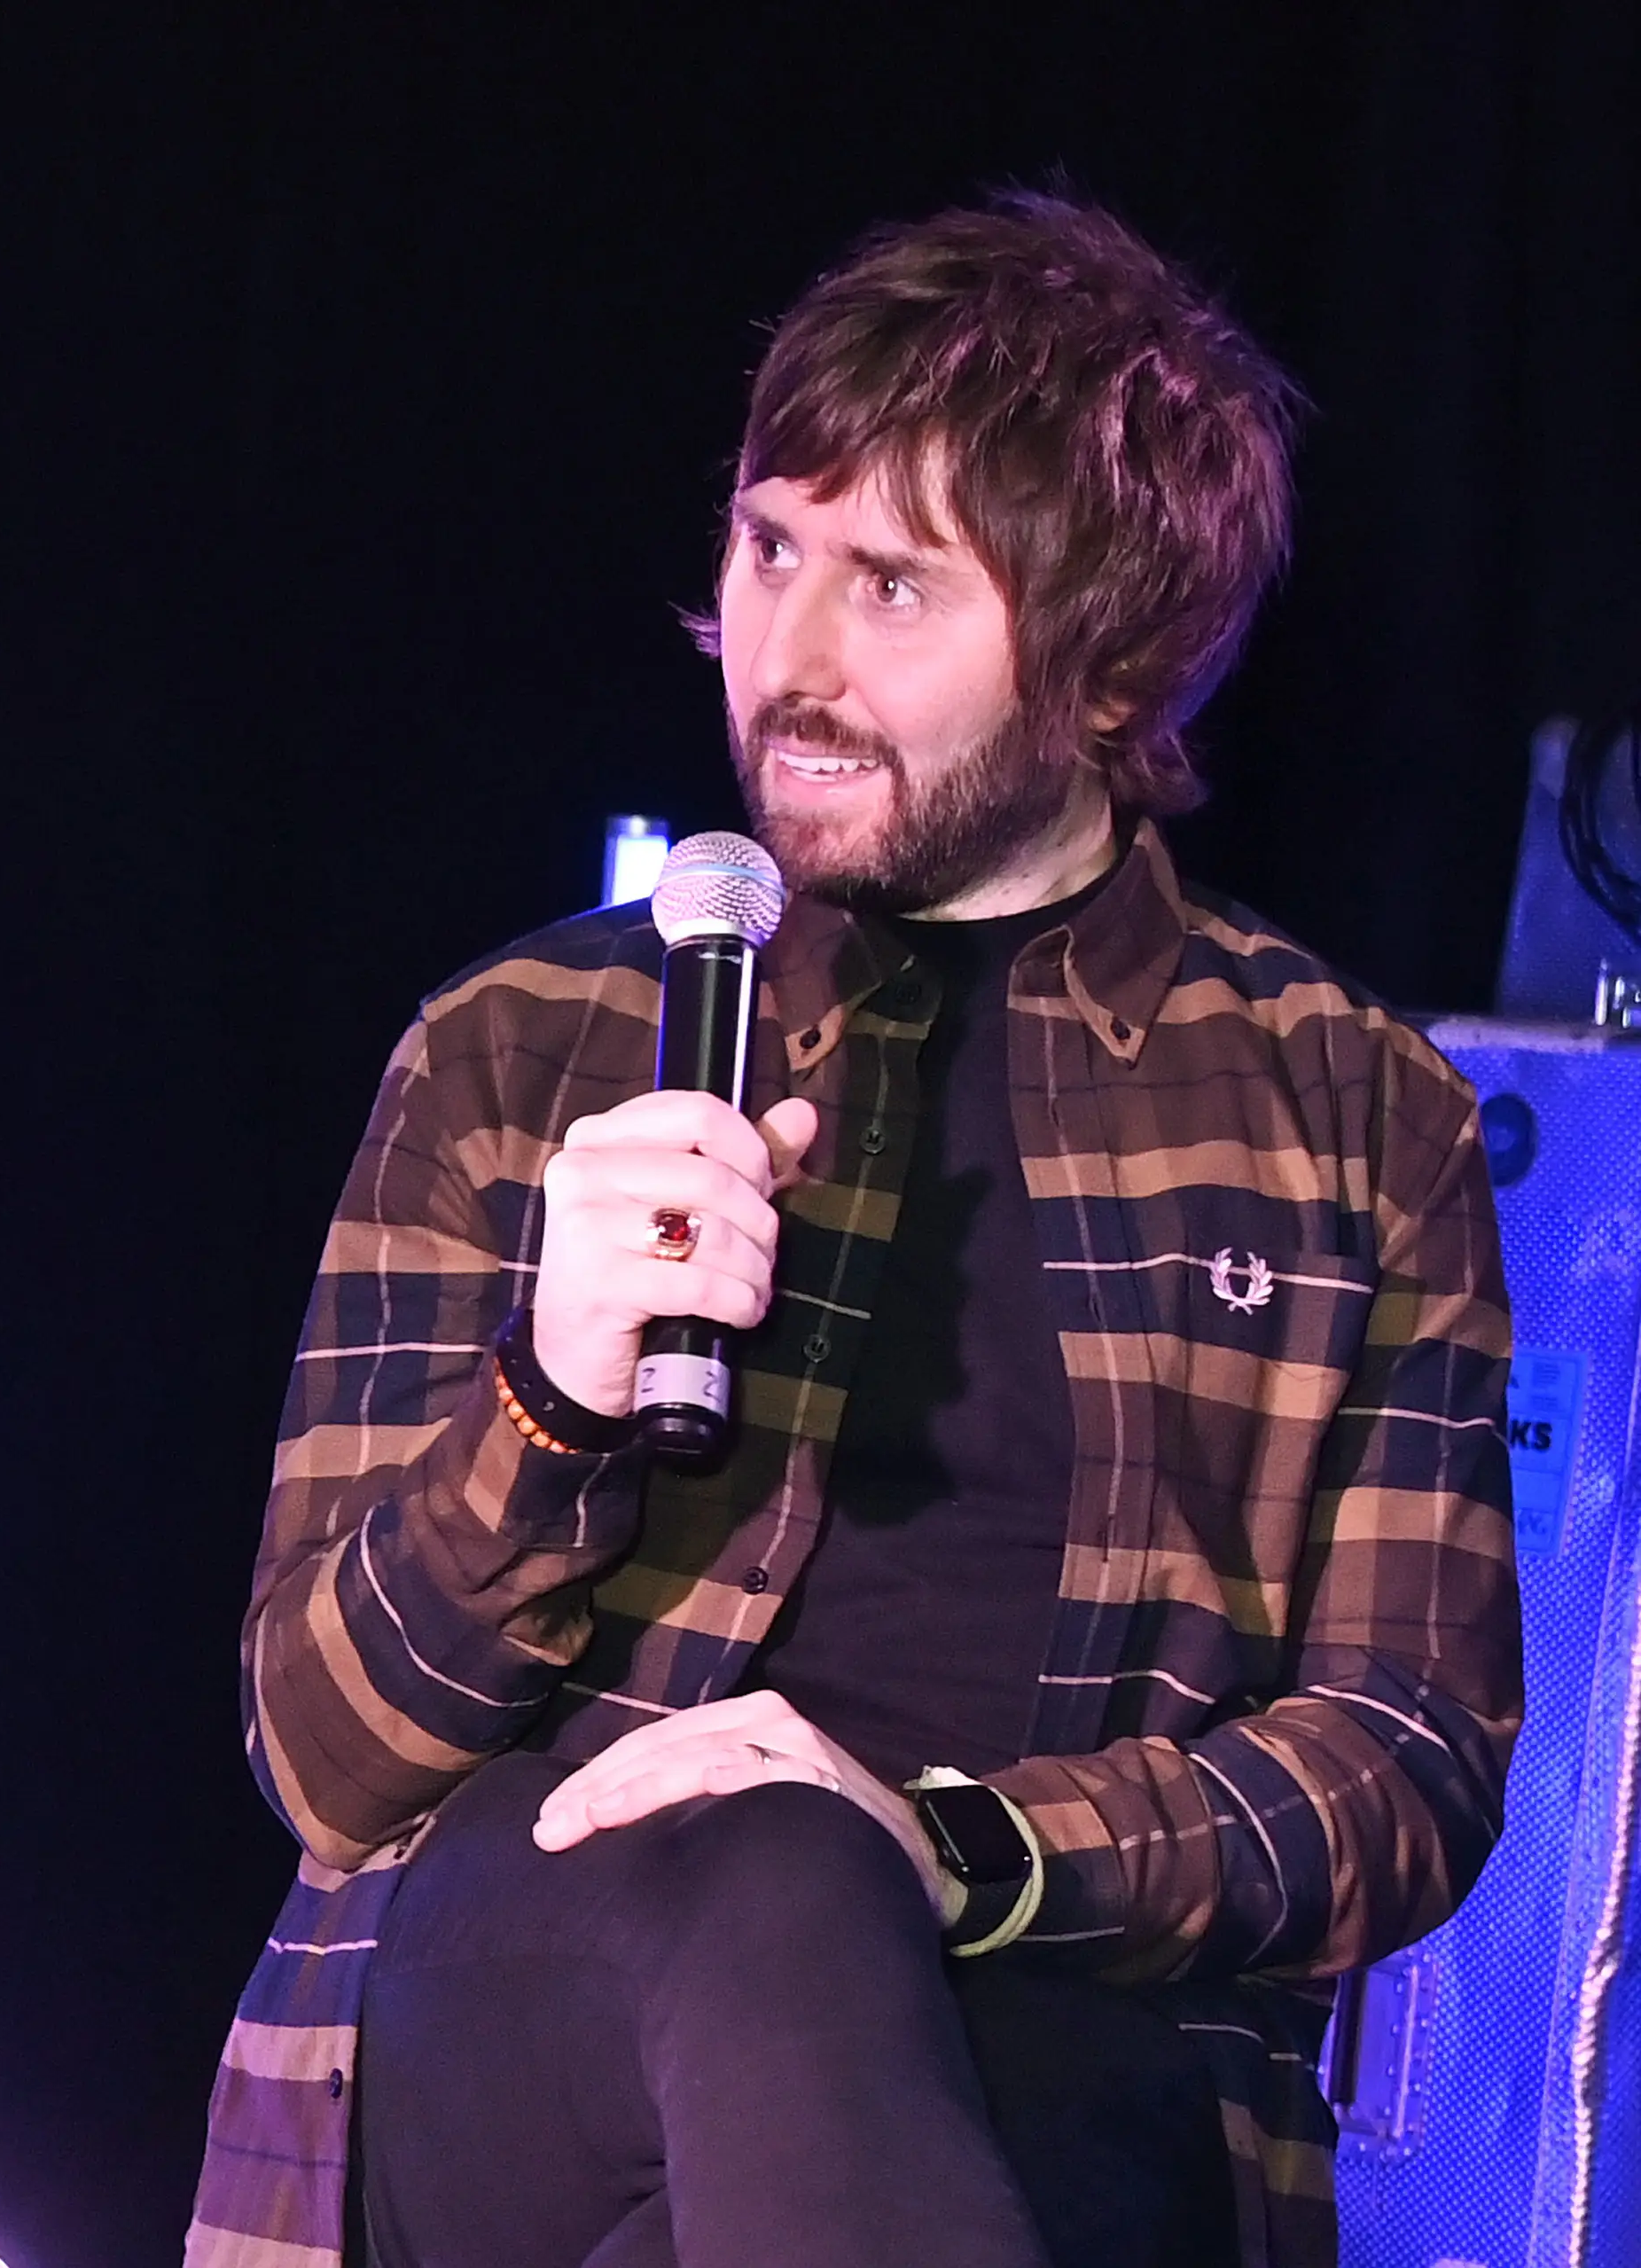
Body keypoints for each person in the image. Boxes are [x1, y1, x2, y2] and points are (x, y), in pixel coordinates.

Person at [184, 195, 1519, 2268]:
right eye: (769, 546)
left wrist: (965, 1848)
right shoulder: (525, 1048)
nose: (788, 659)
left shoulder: (1350, 1112)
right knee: (782, 1879)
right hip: (528, 2003)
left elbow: (1407, 1763)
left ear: (1118, 662)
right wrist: (547, 1398)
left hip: (1050, 2029)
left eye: (893, 586)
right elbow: (323, 1754)